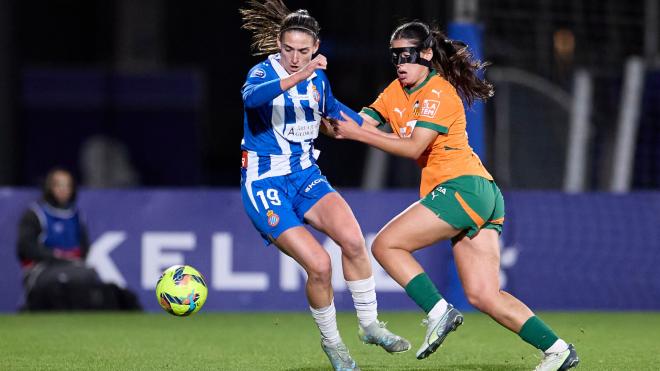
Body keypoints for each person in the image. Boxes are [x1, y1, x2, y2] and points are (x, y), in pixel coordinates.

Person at [332, 21, 580, 371]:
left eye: (408, 55)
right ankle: (557, 350)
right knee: (483, 294)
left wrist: (357, 135)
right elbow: (356, 123)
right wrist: (321, 107)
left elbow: (413, 146)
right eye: (395, 57)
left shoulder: (437, 92)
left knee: (386, 245)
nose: (401, 63)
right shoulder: (394, 92)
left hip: (463, 186)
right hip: (480, 193)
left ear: (427, 54)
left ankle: (438, 310)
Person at [238, 1, 410, 370]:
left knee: (352, 239)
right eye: (288, 50)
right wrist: (303, 74)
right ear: (278, 46)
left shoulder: (317, 77)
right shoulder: (262, 74)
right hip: (265, 181)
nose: (296, 58)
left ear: (315, 47)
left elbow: (332, 110)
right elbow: (251, 99)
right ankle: (334, 346)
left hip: (305, 175)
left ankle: (369, 326)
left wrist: (380, 131)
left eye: (304, 51)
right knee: (318, 265)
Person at [17, 167, 141, 311]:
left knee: (88, 277)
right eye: (59, 185)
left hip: (73, 267)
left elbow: (84, 247)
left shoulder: (75, 215)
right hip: (41, 269)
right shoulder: (35, 214)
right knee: (66, 280)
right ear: (49, 187)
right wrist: (56, 256)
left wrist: (72, 260)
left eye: (67, 185)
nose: (63, 190)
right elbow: (25, 247)